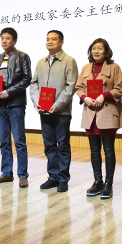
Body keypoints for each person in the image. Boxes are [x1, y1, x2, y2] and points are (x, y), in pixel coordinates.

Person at [76, 38, 122, 199]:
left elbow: (119, 89)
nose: (96, 51)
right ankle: (98, 181)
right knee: (94, 150)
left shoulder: (114, 67)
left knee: (108, 150)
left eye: (100, 48)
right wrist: (84, 98)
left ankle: (108, 184)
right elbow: (79, 87)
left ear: (106, 51)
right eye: (94, 48)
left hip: (107, 112)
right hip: (90, 113)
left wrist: (105, 95)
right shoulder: (86, 67)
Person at [30, 30, 79, 193]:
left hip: (61, 112)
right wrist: (36, 101)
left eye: (54, 39)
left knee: (63, 145)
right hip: (44, 111)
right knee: (49, 145)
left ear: (61, 42)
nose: (50, 42)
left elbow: (71, 86)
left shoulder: (69, 61)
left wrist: (58, 105)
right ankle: (53, 176)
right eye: (47, 39)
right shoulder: (41, 62)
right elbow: (34, 83)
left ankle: (63, 178)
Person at [0, 28, 32, 188]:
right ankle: (7, 173)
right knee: (4, 141)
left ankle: (23, 175)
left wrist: (9, 91)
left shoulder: (22, 56)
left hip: (15, 104)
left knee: (19, 141)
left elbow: (27, 79)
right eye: (2, 38)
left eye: (7, 38)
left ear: (14, 41)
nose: (4, 41)